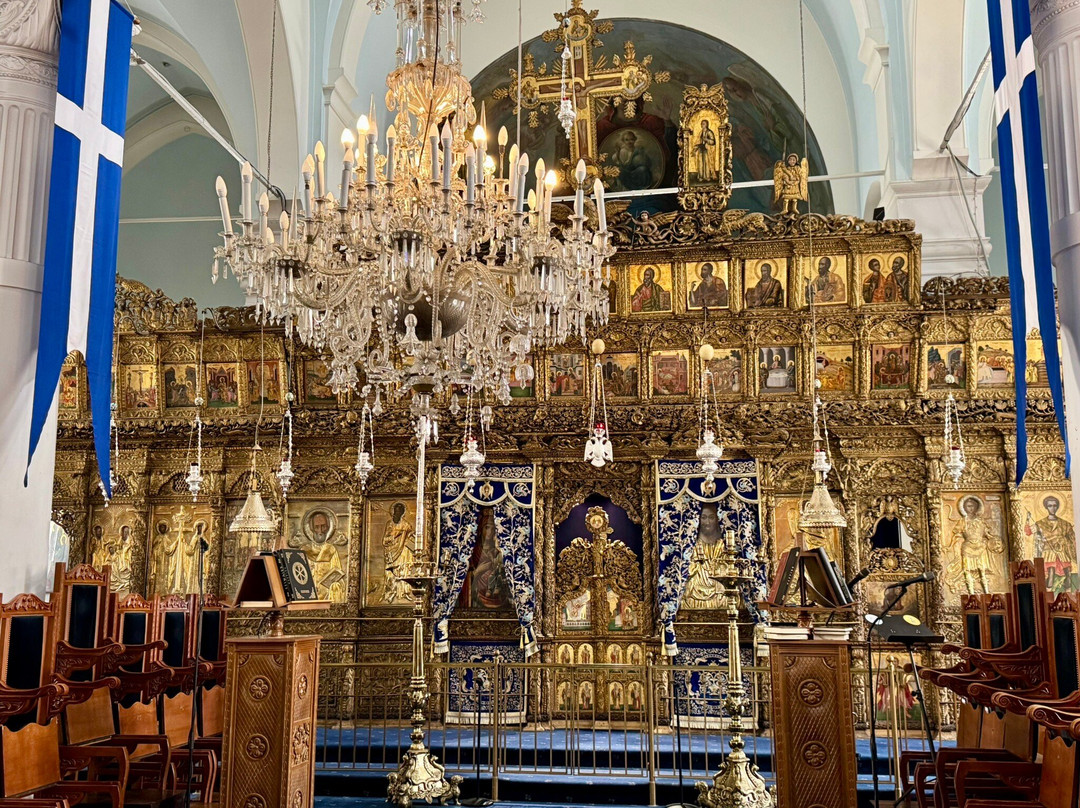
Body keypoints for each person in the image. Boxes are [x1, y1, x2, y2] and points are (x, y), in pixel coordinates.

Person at [952, 497, 1003, 595]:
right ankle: (971, 594)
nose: (970, 508)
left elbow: (987, 534)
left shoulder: (981, 521)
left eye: (972, 506)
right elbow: (957, 533)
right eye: (968, 506)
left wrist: (995, 541)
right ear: (964, 508)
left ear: (976, 507)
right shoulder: (962, 521)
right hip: (967, 547)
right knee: (967, 570)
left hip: (980, 546)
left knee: (982, 570)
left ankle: (986, 592)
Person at [1033, 496, 1076, 584]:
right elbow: (1037, 540)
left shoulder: (1065, 524)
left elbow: (1072, 539)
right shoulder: (1040, 523)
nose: (1053, 508)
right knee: (1050, 576)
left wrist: (1064, 540)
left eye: (1055, 505)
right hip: (1048, 552)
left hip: (1062, 551)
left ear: (1058, 507)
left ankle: (1068, 595)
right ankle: (1048, 595)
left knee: (1068, 576)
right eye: (1050, 506)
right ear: (1046, 507)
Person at [381, 502, 415, 603]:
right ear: (393, 512)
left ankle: (403, 593)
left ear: (403, 513)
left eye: (400, 511)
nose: (397, 513)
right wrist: (395, 536)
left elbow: (410, 538)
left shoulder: (406, 525)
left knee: (403, 572)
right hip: (391, 552)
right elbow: (384, 540)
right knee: (390, 573)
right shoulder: (390, 524)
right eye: (396, 511)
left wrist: (410, 535)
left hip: (403, 552)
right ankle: (391, 593)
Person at [693, 118, 718, 183]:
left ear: (706, 125)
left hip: (707, 149)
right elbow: (698, 140)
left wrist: (706, 140)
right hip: (701, 148)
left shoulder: (709, 132)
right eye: (701, 124)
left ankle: (707, 177)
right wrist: (696, 146)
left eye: (703, 124)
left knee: (707, 163)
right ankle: (701, 176)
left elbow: (713, 142)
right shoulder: (700, 132)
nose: (702, 125)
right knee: (700, 162)